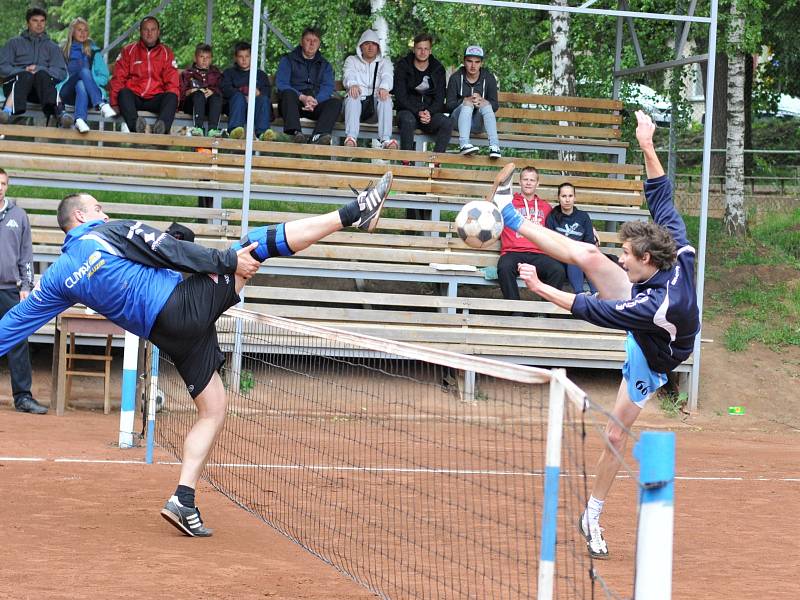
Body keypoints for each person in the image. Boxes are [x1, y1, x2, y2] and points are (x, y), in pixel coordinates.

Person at [0, 170, 393, 536]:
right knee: (251, 246)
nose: (106, 211)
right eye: (99, 207)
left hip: (169, 334)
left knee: (214, 407)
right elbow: (164, 247)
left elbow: (15, 323)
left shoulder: (56, 277)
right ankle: (354, 212)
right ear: (83, 214)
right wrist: (225, 260)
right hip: (179, 307)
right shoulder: (106, 231)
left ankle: (183, 500)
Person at [489, 111, 700, 560]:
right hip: (644, 309)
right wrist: (646, 143)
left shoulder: (654, 306)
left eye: (625, 255)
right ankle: (508, 213)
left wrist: (543, 289)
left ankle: (593, 513)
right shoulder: (675, 247)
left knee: (615, 435)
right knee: (586, 253)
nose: (619, 259)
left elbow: (594, 309)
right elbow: (661, 195)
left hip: (653, 353)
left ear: (645, 259)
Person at [0, 168, 46, 414]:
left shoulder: (19, 215)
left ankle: (23, 397)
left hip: (10, 290)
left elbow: (26, 255)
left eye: (3, 183)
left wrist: (26, 286)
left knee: (17, 341)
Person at [497, 166, 567, 301]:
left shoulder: (546, 207)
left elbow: (566, 219)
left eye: (532, 180)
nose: (528, 183)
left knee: (558, 270)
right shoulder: (508, 204)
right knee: (504, 267)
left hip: (539, 253)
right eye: (525, 179)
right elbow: (490, 211)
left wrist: (590, 228)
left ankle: (545, 311)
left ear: (537, 183)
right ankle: (516, 311)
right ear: (519, 182)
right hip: (513, 252)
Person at [109, 16, 179, 135]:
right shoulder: (129, 50)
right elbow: (118, 78)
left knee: (172, 96)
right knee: (123, 93)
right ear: (140, 32)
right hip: (134, 97)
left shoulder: (167, 52)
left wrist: (171, 107)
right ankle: (136, 126)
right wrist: (114, 103)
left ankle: (161, 128)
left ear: (158, 32)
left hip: (156, 98)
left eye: (153, 29)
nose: (149, 33)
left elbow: (172, 82)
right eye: (146, 30)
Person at [0, 8, 69, 127]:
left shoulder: (52, 47)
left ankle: (60, 115)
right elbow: (2, 67)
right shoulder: (13, 43)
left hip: (40, 91)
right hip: (16, 85)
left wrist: (41, 69)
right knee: (25, 76)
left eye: (42, 21)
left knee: (42, 74)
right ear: (28, 23)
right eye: (35, 21)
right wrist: (23, 70)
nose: (39, 24)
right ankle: (7, 113)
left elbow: (61, 72)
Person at [275, 27, 342, 145]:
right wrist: (302, 97)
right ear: (301, 42)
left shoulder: (325, 65)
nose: (311, 44)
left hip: (314, 104)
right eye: (308, 40)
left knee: (335, 103)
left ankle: (318, 136)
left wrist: (316, 100)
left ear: (319, 44)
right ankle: (296, 133)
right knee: (288, 93)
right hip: (293, 105)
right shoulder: (288, 60)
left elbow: (327, 87)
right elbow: (282, 84)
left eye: (315, 41)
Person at [393, 33, 453, 154]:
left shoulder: (437, 69)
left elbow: (440, 98)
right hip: (408, 111)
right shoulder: (403, 66)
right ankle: (406, 163)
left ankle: (435, 163)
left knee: (446, 122)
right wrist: (417, 111)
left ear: (430, 51)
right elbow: (400, 97)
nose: (422, 52)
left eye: (426, 49)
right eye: (419, 48)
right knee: (407, 120)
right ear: (414, 49)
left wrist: (429, 113)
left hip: (429, 114)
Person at [57, 17, 117, 134]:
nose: (83, 33)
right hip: (67, 93)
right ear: (72, 32)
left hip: (88, 95)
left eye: (85, 30)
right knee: (83, 72)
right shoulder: (62, 51)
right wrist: (84, 75)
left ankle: (80, 119)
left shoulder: (94, 52)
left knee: (81, 82)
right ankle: (101, 103)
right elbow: (57, 75)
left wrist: (87, 79)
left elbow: (104, 77)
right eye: (79, 30)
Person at [342, 28, 395, 149]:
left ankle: (385, 140)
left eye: (374, 44)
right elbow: (348, 74)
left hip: (375, 109)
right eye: (366, 44)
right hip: (355, 107)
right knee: (352, 96)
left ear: (378, 47)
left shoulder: (385, 62)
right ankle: (351, 137)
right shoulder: (351, 60)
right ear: (360, 47)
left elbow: (387, 76)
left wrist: (384, 87)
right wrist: (353, 84)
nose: (370, 47)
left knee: (385, 98)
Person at [445, 45, 501, 159]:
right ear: (464, 61)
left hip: (479, 124)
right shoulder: (455, 78)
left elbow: (495, 105)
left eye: (477, 62)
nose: (473, 65)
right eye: (469, 61)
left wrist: (482, 101)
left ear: (482, 63)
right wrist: (464, 100)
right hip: (457, 123)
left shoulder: (489, 78)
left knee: (486, 104)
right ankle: (464, 144)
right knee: (468, 103)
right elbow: (449, 106)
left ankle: (494, 146)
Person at [545, 182, 597, 293]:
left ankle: (597, 295)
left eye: (570, 196)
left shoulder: (583, 216)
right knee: (574, 259)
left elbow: (589, 242)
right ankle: (580, 293)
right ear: (558, 198)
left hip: (582, 254)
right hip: (561, 257)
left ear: (574, 197)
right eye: (564, 196)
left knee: (587, 259)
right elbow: (550, 243)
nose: (567, 200)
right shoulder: (552, 217)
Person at [221, 41, 272, 141]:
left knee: (264, 99)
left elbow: (267, 91)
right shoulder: (229, 73)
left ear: (252, 57)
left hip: (255, 110)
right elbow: (225, 89)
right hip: (235, 109)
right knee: (238, 97)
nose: (244, 60)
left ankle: (263, 133)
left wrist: (259, 94)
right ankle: (235, 131)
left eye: (247, 56)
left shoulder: (260, 75)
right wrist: (244, 96)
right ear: (235, 58)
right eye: (241, 56)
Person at [180, 43, 224, 137]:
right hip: (192, 106)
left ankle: (213, 129)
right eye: (201, 57)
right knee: (199, 94)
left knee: (216, 96)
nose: (204, 60)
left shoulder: (216, 74)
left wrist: (212, 91)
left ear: (211, 59)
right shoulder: (188, 73)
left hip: (210, 106)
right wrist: (190, 92)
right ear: (195, 58)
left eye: (207, 57)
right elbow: (181, 93)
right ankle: (198, 128)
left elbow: (222, 91)